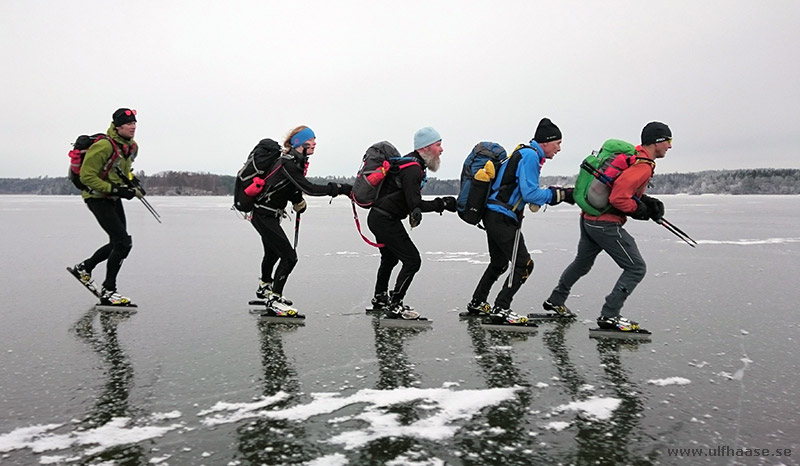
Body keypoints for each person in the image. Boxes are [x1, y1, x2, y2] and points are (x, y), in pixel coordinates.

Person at [543, 121, 671, 331]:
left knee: (582, 264)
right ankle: (609, 315)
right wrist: (640, 210)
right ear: (657, 141)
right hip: (605, 224)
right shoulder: (642, 165)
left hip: (589, 219)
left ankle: (556, 300)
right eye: (668, 141)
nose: (670, 146)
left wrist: (646, 201)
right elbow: (620, 197)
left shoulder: (633, 157)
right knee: (636, 268)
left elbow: (623, 187)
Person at [465, 118, 574, 324]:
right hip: (502, 217)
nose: (559, 148)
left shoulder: (524, 152)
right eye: (557, 143)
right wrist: (561, 195)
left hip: (493, 214)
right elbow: (531, 193)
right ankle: (502, 308)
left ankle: (478, 302)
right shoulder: (530, 156)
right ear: (545, 142)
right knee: (524, 265)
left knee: (498, 263)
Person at [246, 125, 351, 311]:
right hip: (263, 214)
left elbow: (288, 186)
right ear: (299, 143)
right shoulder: (287, 162)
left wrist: (297, 201)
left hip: (267, 213)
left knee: (272, 252)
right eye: (311, 140)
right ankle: (275, 299)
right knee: (289, 257)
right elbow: (308, 187)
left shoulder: (296, 161)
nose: (315, 143)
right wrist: (339, 189)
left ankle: (264, 288)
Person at [368, 127, 457, 320]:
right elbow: (414, 204)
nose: (441, 150)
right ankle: (395, 305)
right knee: (413, 261)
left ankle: (380, 298)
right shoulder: (413, 169)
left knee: (390, 259)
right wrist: (442, 203)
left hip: (380, 217)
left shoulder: (410, 163)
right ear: (425, 147)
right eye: (438, 145)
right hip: (384, 219)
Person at [69, 108, 143, 306]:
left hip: (111, 197)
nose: (133, 126)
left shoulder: (131, 147)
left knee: (119, 243)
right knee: (123, 243)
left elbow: (124, 172)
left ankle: (84, 268)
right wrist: (117, 190)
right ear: (117, 127)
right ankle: (109, 291)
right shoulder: (103, 146)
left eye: (134, 123)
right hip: (96, 197)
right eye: (128, 124)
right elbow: (86, 176)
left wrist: (133, 184)